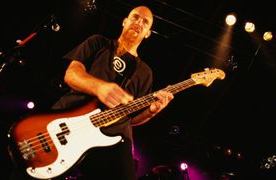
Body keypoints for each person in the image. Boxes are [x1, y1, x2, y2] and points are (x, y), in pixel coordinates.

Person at [10, 5, 174, 180]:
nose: (139, 22)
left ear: (148, 33)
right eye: (135, 17)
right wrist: (99, 87)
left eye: (145, 22)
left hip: (114, 138)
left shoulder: (145, 72)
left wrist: (150, 111)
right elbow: (71, 75)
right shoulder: (98, 42)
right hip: (68, 122)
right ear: (125, 21)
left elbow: (132, 118)